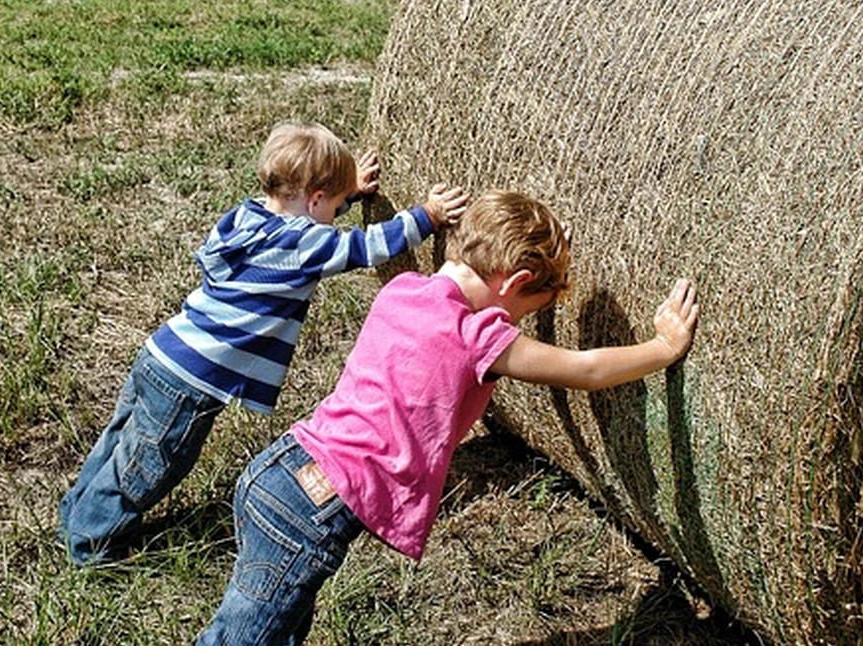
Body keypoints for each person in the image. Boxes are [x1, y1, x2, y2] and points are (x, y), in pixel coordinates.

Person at [195, 189, 700, 645]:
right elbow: (584, 369)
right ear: (518, 280)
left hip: (282, 470)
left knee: (274, 627)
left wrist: (537, 259)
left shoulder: (405, 289)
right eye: (533, 303)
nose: (520, 322)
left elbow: (493, 299)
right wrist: (662, 346)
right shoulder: (477, 338)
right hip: (313, 510)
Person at [57, 121, 469, 566]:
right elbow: (367, 246)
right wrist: (427, 215)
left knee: (119, 441)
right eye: (332, 205)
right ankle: (91, 547)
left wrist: (346, 195)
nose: (335, 214)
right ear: (313, 200)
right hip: (194, 380)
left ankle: (76, 513)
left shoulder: (248, 215)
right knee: (148, 464)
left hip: (164, 352)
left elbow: (306, 227)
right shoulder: (302, 243)